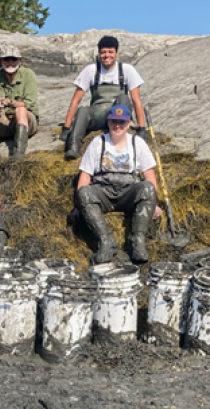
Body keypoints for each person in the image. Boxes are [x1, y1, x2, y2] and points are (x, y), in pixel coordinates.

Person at [75, 104, 160, 264]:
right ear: (108, 122)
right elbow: (85, 176)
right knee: (84, 192)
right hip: (103, 192)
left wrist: (153, 204)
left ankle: (137, 242)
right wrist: (78, 206)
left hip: (129, 193)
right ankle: (106, 242)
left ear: (129, 124)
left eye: (122, 122)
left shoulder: (137, 142)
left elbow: (149, 175)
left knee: (148, 189)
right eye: (114, 121)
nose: (117, 126)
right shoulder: (97, 143)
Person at [63, 35, 147, 160]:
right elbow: (75, 100)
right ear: (99, 53)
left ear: (116, 53)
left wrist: (141, 128)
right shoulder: (90, 70)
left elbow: (136, 101)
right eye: (103, 52)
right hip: (99, 113)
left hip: (119, 113)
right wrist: (66, 127)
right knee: (83, 110)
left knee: (124, 99)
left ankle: (118, 140)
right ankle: (73, 147)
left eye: (110, 52)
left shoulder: (127, 70)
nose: (107, 55)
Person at [0, 45, 39, 159]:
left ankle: (18, 154)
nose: (10, 62)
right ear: (1, 61)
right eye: (7, 59)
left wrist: (9, 103)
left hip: (24, 122)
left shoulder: (28, 74)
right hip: (3, 120)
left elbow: (30, 102)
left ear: (19, 61)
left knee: (21, 109)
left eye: (14, 59)